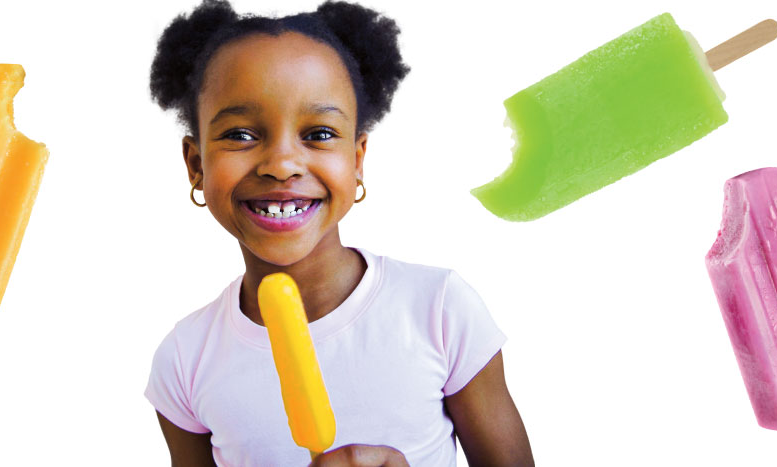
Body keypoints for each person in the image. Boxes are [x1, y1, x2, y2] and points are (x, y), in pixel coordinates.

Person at [145, 1, 533, 465]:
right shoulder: (185, 360)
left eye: (321, 133)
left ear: (357, 158)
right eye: (242, 135)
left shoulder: (439, 309)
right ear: (196, 165)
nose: (282, 164)